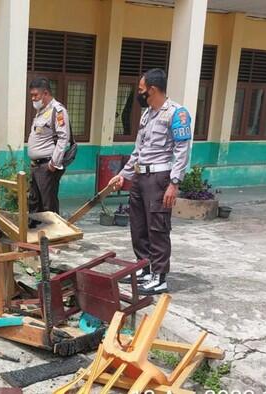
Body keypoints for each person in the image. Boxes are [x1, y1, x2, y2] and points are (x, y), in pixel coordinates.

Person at [109, 68, 192, 295]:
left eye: (141, 90)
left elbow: (182, 151)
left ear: (152, 90)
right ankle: (145, 267)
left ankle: (159, 276)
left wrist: (174, 183)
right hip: (140, 176)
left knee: (157, 228)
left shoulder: (176, 114)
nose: (139, 94)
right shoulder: (147, 114)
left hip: (159, 179)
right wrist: (124, 174)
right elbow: (139, 150)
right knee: (138, 225)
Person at [27, 77, 70, 222]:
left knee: (48, 205)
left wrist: (54, 163)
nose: (33, 98)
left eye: (35, 95)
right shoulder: (41, 111)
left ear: (45, 93)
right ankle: (38, 238)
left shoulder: (57, 111)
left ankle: (52, 239)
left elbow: (63, 137)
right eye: (31, 95)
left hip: (47, 166)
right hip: (36, 166)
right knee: (34, 202)